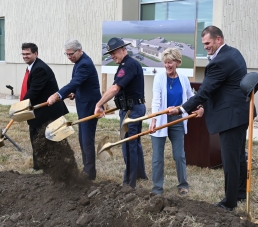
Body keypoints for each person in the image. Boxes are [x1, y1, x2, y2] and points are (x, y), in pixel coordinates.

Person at [169, 26, 249, 211]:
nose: (205, 47)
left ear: (218, 39)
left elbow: (205, 91)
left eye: (207, 43)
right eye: (203, 43)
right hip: (240, 113)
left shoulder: (220, 61)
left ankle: (229, 202)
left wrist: (182, 109)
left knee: (230, 159)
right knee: (238, 156)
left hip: (230, 116)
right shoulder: (234, 53)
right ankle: (240, 192)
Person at [94, 37, 147, 188]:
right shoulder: (127, 64)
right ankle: (140, 174)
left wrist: (99, 104)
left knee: (128, 145)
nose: (112, 56)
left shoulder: (128, 65)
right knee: (135, 143)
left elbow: (115, 88)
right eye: (110, 53)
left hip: (132, 111)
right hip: (131, 108)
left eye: (114, 52)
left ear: (124, 49)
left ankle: (129, 183)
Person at [149, 48, 203, 196]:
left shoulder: (184, 79)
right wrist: (153, 120)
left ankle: (183, 185)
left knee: (179, 155)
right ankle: (157, 188)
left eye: (170, 62)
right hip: (161, 119)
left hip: (177, 119)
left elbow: (191, 97)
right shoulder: (159, 78)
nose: (167, 65)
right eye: (165, 62)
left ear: (177, 62)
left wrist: (199, 107)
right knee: (157, 157)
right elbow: (156, 100)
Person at [47, 39, 101, 180]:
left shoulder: (84, 64)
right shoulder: (80, 61)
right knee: (82, 137)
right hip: (84, 102)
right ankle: (87, 169)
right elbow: (81, 83)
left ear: (79, 50)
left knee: (86, 138)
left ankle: (89, 173)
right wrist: (75, 92)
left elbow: (75, 82)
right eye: (67, 55)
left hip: (89, 105)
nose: (69, 57)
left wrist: (57, 94)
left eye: (71, 54)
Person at [20, 43, 69, 170]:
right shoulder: (33, 67)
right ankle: (42, 166)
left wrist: (20, 107)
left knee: (51, 138)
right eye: (23, 54)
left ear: (35, 54)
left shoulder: (39, 69)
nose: (25, 56)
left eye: (28, 54)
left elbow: (33, 92)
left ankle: (56, 167)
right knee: (39, 137)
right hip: (42, 111)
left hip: (49, 111)